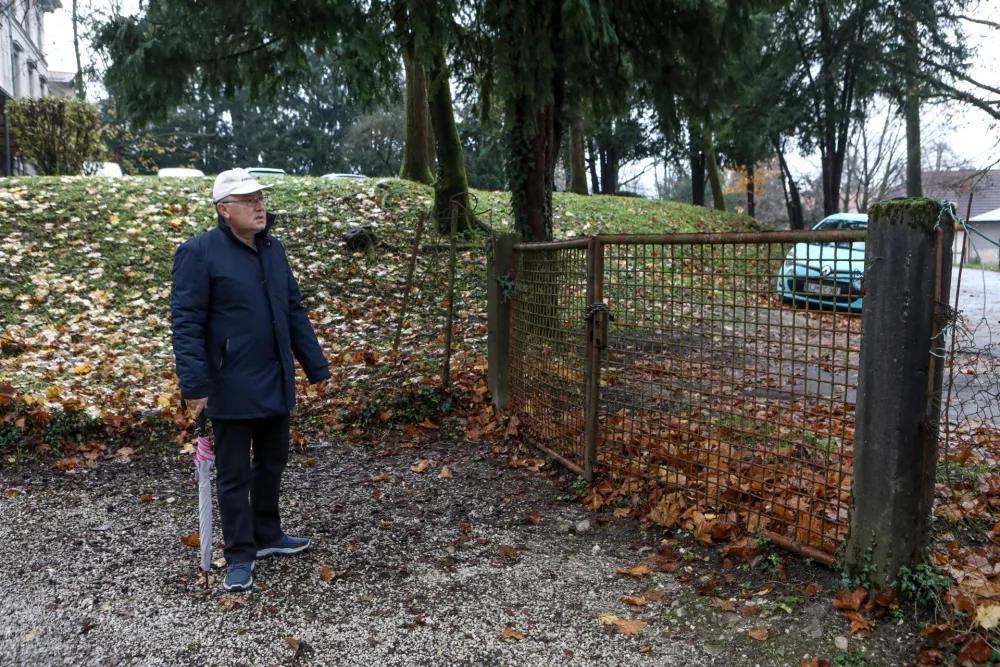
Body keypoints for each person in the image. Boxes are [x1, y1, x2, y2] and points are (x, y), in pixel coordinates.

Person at [170, 168, 331, 592]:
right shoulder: (198, 253)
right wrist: (195, 385)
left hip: (275, 377)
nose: (259, 206)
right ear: (224, 210)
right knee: (234, 473)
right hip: (229, 382)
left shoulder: (273, 250)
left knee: (274, 459)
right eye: (248, 200)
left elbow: (293, 309)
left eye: (260, 197)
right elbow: (186, 323)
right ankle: (239, 553)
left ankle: (267, 535)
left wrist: (315, 366)